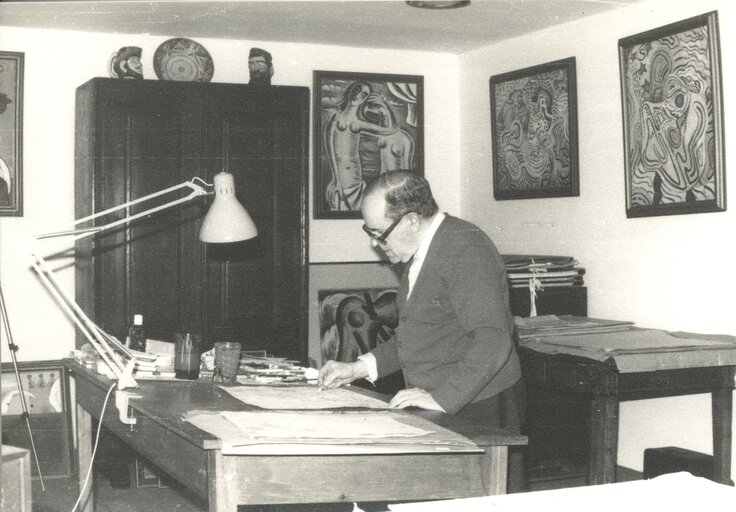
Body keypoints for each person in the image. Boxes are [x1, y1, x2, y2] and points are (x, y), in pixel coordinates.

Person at [318, 170, 525, 427]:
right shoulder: (422, 251)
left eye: (379, 233)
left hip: (479, 405)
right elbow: (416, 336)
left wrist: (442, 400)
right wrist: (356, 368)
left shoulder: (466, 249)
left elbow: (493, 340)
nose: (374, 244)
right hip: (446, 401)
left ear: (412, 221)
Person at [322, 82, 397, 211]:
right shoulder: (334, 117)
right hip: (340, 184)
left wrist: (384, 105)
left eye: (364, 95)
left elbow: (391, 129)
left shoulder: (358, 124)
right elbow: (330, 150)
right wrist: (336, 181)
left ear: (365, 100)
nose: (357, 95)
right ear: (350, 91)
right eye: (357, 90)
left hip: (356, 182)